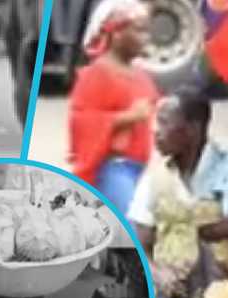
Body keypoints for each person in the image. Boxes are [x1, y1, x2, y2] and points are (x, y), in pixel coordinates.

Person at [128, 87, 228, 298]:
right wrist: (156, 273)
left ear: (193, 128)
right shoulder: (154, 180)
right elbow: (136, 248)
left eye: (164, 122)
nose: (154, 130)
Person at [68, 0, 160, 212]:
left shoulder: (141, 76)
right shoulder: (97, 73)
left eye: (147, 31)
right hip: (112, 169)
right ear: (116, 33)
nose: (146, 39)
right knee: (129, 231)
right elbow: (80, 121)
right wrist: (127, 117)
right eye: (139, 31)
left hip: (139, 169)